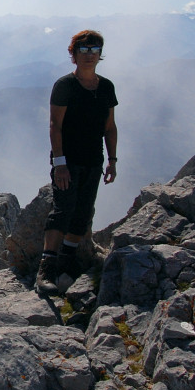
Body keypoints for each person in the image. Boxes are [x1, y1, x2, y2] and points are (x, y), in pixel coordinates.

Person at [35, 30, 118, 295]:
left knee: (83, 212)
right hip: (68, 161)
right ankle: (46, 269)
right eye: (83, 50)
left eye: (94, 50)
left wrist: (112, 160)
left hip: (94, 160)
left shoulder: (106, 87)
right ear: (74, 54)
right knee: (63, 210)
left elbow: (110, 126)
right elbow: (55, 125)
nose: (89, 55)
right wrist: (60, 163)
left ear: (100, 54)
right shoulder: (65, 85)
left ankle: (67, 261)